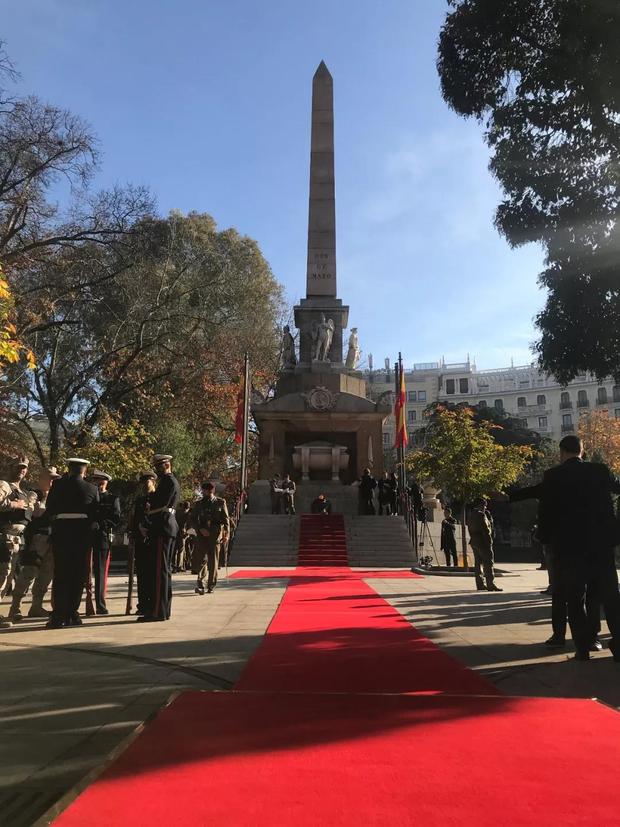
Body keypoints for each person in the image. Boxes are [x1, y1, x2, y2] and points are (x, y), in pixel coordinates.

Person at [533, 435, 620, 661]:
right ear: (582, 450)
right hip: (601, 545)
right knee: (610, 596)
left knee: (574, 597)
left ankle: (582, 648)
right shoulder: (599, 470)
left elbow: (545, 508)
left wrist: (544, 538)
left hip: (569, 548)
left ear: (562, 452)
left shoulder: (553, 476)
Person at [45, 458, 99, 628]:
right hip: (82, 536)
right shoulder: (92, 488)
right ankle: (72, 613)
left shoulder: (58, 486)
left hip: (61, 534)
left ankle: (58, 615)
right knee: (78, 575)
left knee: (61, 574)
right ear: (84, 471)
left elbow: (50, 508)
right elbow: (95, 513)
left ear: (69, 469)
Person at [7, 466, 61, 623]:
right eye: (50, 478)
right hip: (37, 539)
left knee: (46, 575)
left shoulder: (55, 496)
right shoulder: (33, 494)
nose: (52, 481)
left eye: (54, 479)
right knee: (28, 573)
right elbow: (34, 512)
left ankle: (36, 607)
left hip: (51, 539)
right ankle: (15, 607)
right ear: (41, 479)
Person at [138, 454, 180, 622]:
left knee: (159, 572)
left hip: (162, 527)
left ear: (167, 465)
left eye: (159, 466)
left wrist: (150, 504)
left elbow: (159, 504)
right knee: (163, 571)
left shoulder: (169, 482)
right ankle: (162, 610)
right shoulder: (168, 481)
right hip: (165, 526)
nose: (157, 470)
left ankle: (157, 611)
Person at [0, 457, 37, 626]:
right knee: (2, 575)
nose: (22, 470)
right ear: (11, 467)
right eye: (19, 467)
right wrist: (15, 505)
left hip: (15, 539)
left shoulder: (21, 490)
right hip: (5, 536)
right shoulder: (4, 485)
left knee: (7, 578)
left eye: (24, 468)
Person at [90, 470, 121, 615]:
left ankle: (100, 605)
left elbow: (116, 519)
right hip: (87, 537)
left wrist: (101, 524)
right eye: (96, 482)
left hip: (102, 538)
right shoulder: (90, 497)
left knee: (100, 573)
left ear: (106, 482)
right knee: (84, 572)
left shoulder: (112, 499)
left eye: (100, 482)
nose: (98, 485)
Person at [190, 481, 230, 594]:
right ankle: (201, 584)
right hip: (202, 534)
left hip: (215, 534)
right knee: (202, 559)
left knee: (213, 561)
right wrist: (199, 529)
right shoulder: (199, 504)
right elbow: (192, 519)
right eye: (203, 490)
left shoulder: (220, 502)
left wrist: (226, 534)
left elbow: (226, 520)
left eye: (205, 490)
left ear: (211, 491)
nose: (203, 492)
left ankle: (211, 585)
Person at [128, 471, 156, 616]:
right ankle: (143, 603)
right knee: (142, 575)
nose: (145, 486)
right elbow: (133, 519)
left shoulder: (158, 499)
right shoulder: (139, 501)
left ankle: (153, 603)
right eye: (143, 484)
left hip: (153, 540)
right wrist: (133, 532)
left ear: (153, 482)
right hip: (140, 540)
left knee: (152, 575)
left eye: (147, 483)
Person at [467, 497, 502, 591]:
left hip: (474, 541)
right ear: (481, 505)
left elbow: (469, 529)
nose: (485, 508)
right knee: (488, 563)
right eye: (484, 505)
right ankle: (491, 584)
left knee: (478, 564)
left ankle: (480, 584)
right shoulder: (481, 515)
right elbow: (486, 530)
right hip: (483, 542)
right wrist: (489, 542)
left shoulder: (470, 515)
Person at [173, 501, 191, 571]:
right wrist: (188, 534)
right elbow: (189, 524)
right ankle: (179, 566)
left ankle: (174, 566)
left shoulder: (176, 512)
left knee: (175, 550)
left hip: (175, 531)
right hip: (182, 532)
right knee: (181, 550)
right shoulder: (187, 514)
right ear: (188, 507)